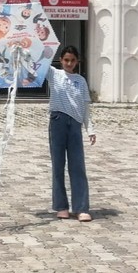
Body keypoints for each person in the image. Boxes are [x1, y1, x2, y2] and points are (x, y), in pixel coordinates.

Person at [47, 45, 95, 222]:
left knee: (77, 166)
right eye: (66, 59)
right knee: (58, 165)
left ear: (77, 61)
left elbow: (85, 108)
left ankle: (81, 207)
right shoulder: (53, 74)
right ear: (61, 60)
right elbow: (38, 62)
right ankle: (61, 206)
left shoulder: (80, 81)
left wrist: (90, 129)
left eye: (73, 60)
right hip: (57, 122)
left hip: (75, 125)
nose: (69, 63)